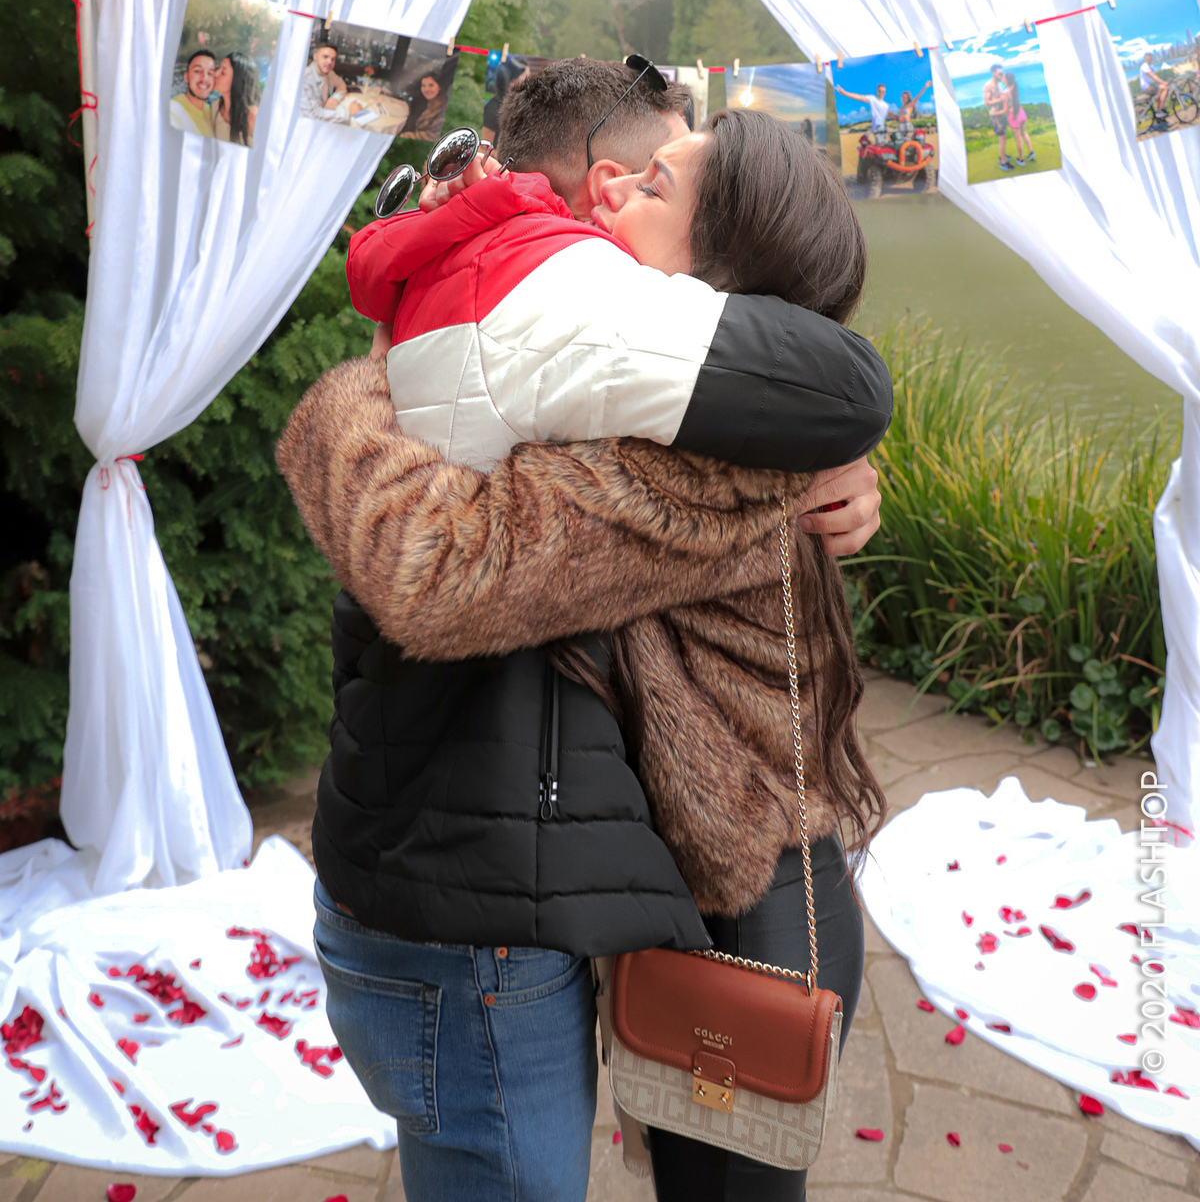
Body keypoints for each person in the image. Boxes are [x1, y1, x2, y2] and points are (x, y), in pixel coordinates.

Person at [281, 61, 890, 1202]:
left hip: (742, 906)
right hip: (659, 885)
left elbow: (431, 562)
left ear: (711, 293)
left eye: (651, 186)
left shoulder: (671, 447)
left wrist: (361, 392)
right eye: (617, 176)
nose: (605, 201)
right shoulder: (581, 388)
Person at [300, 40, 370, 122]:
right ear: (315, 56)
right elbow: (313, 114)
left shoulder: (328, 72)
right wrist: (347, 113)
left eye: (333, 59)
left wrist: (335, 98)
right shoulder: (305, 79)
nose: (329, 62)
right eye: (325, 57)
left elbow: (341, 85)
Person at [210, 50, 261, 148]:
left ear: (237, 81)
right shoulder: (215, 106)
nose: (215, 74)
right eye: (219, 68)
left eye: (223, 72)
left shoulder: (253, 118)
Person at [169, 49, 216, 136]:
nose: (204, 79)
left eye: (210, 73)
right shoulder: (173, 110)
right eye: (197, 71)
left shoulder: (211, 111)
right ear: (186, 77)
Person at [982, 60, 1013, 170]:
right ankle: (1003, 162)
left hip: (1001, 114)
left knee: (1003, 137)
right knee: (1002, 138)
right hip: (996, 116)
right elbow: (987, 103)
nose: (1001, 75)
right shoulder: (988, 86)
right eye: (1000, 74)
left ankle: (1002, 156)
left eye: (1002, 73)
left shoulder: (998, 84)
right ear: (993, 73)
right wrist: (1000, 99)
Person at [1004, 70, 1034, 165]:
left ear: (1006, 80)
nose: (1002, 78)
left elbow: (1005, 108)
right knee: (1023, 133)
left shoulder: (1006, 92)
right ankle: (1031, 152)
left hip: (1013, 116)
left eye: (1004, 77)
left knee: (1018, 139)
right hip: (1020, 112)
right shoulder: (1014, 87)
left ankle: (1021, 160)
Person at [1139, 50, 1170, 124]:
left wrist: (1161, 82)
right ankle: (1160, 111)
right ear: (1145, 59)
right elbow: (1153, 76)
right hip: (1147, 87)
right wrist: (1163, 82)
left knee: (1159, 99)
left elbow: (1155, 77)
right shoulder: (1144, 66)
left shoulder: (1151, 66)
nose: (1149, 59)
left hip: (1151, 85)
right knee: (1164, 88)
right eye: (1148, 58)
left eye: (1150, 58)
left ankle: (1159, 117)